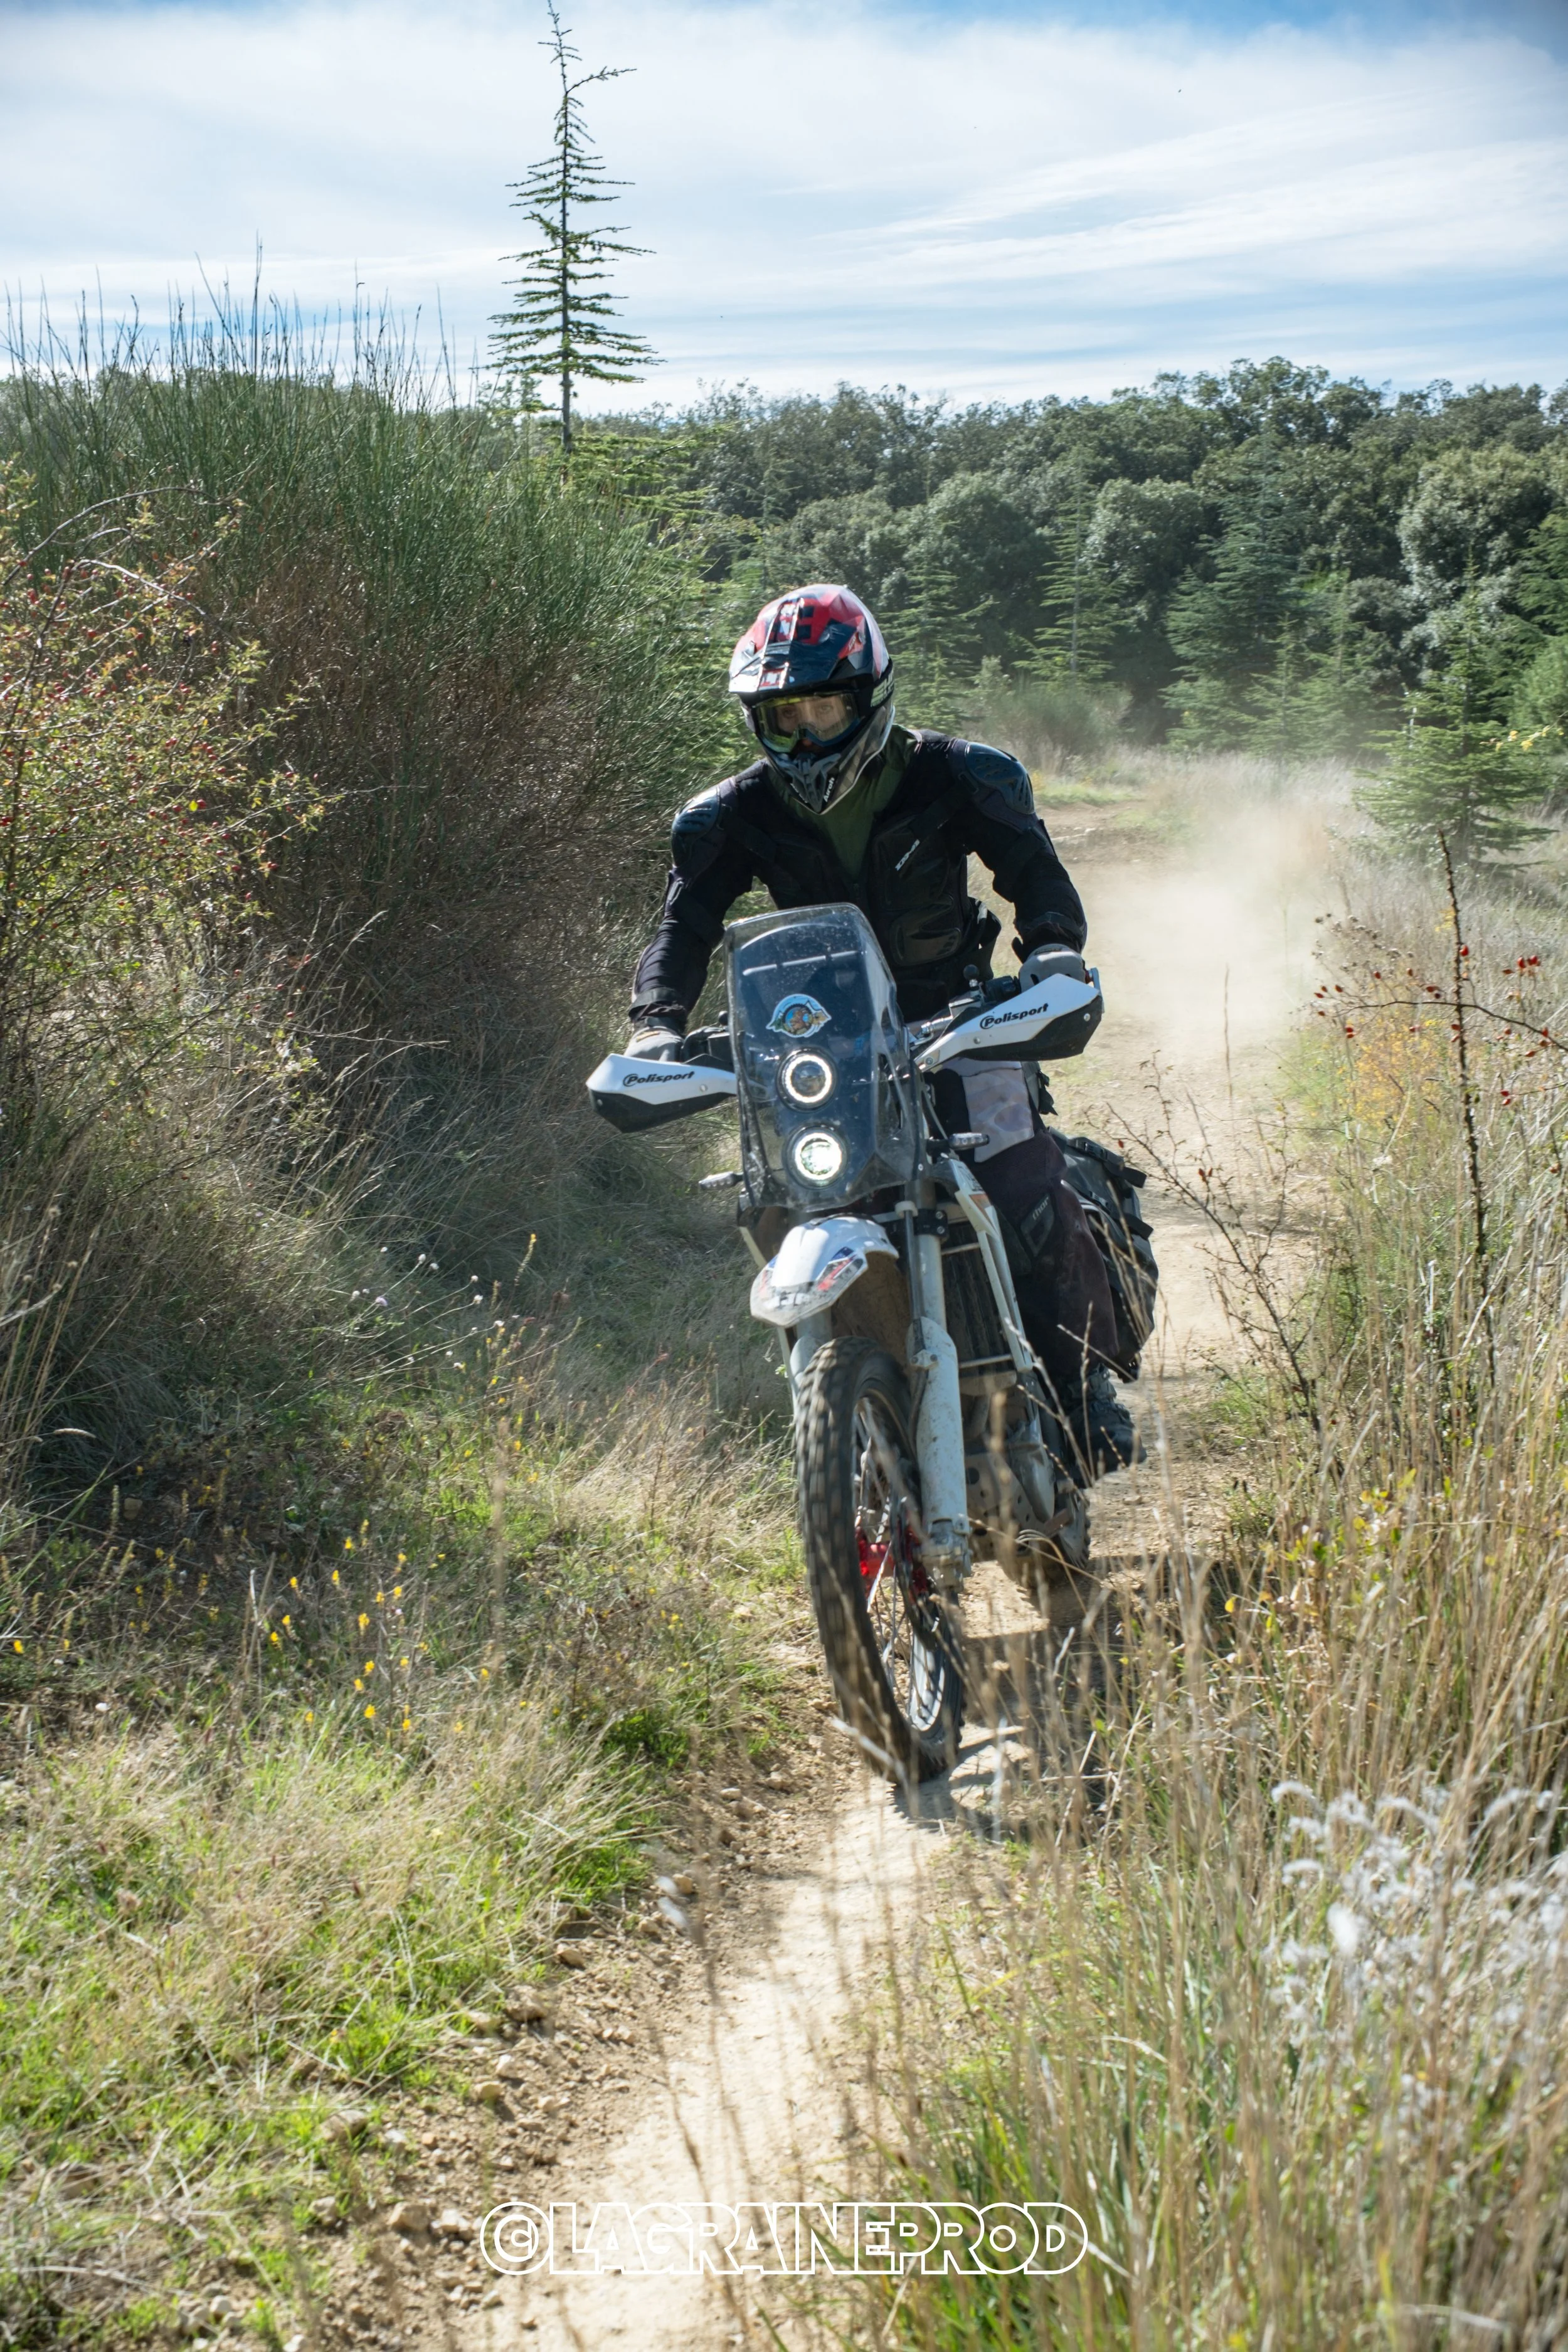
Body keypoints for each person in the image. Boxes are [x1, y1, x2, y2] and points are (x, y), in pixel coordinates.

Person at [627, 583, 1136, 1472]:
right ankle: (860, 1409)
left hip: (962, 1028)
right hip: (823, 1054)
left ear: (868, 697)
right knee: (786, 1205)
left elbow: (1033, 871)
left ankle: (1083, 1393)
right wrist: (655, 1026)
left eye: (825, 706)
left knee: (1023, 1188)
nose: (806, 734)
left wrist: (1053, 951)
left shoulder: (961, 774)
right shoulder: (730, 816)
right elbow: (685, 926)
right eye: (784, 715)